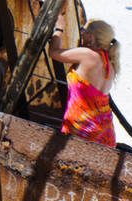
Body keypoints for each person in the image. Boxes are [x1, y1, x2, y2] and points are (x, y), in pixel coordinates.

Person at [49, 19, 119, 147]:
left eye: (83, 31)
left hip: (83, 128)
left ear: (91, 37)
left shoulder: (87, 54)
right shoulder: (111, 65)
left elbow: (54, 53)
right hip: (106, 133)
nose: (81, 34)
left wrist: (59, 29)